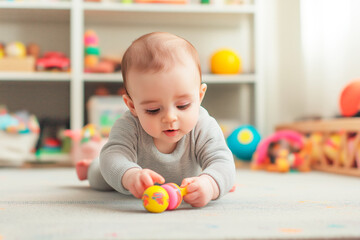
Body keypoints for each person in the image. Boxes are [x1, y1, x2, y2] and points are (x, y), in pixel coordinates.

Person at [76, 32, 236, 208]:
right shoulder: (129, 125)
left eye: (182, 105)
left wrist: (211, 183)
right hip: (134, 170)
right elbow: (114, 156)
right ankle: (91, 166)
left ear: (199, 96)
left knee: (221, 177)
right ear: (132, 106)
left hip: (186, 181)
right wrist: (130, 175)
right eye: (153, 110)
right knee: (102, 176)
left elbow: (222, 161)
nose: (170, 117)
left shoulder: (204, 126)